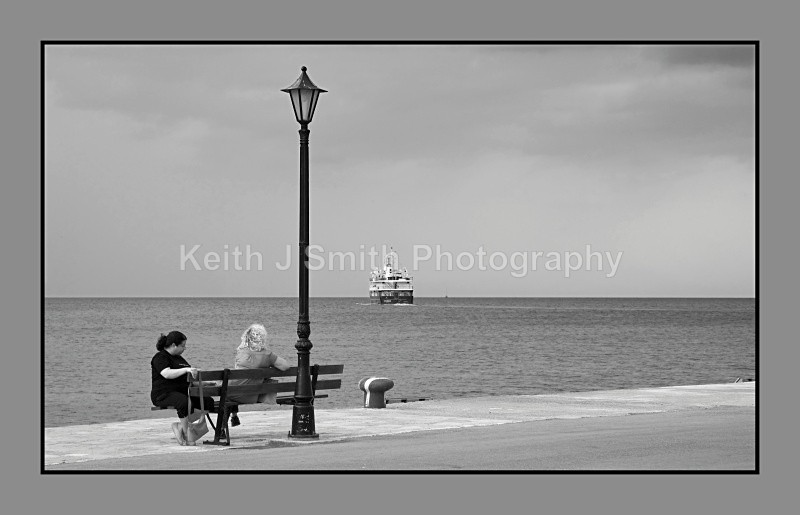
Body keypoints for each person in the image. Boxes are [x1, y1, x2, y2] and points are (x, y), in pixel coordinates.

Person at [150, 331, 215, 446]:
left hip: (182, 392)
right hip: (163, 394)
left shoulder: (179, 359)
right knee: (183, 402)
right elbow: (166, 373)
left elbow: (189, 378)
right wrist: (186, 370)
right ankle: (186, 434)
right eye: (183, 346)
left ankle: (180, 425)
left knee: (208, 402)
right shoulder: (160, 357)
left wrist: (206, 383)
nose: (184, 348)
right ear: (174, 345)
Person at [226, 323, 291, 427]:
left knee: (227, 392)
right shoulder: (268, 355)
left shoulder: (240, 352)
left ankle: (225, 424)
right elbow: (285, 366)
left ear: (247, 337)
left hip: (235, 394)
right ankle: (234, 417)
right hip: (253, 396)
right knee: (232, 390)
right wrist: (269, 367)